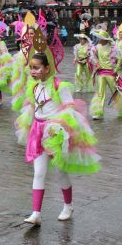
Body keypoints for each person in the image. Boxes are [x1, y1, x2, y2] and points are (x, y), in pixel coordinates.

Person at [15, 27, 100, 225]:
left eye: (37, 68)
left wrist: (57, 125)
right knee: (39, 172)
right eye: (31, 67)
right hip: (37, 131)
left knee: (61, 171)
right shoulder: (34, 87)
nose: (33, 71)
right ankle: (36, 213)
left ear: (47, 68)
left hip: (55, 134)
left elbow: (70, 109)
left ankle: (68, 205)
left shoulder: (59, 87)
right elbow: (33, 107)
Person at [89, 30, 122, 120]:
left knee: (114, 93)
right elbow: (92, 57)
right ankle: (98, 113)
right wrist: (96, 63)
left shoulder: (112, 48)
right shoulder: (96, 47)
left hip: (110, 73)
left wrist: (116, 70)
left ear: (104, 39)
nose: (99, 40)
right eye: (99, 38)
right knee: (100, 94)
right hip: (101, 73)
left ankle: (121, 110)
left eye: (100, 38)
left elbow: (120, 59)